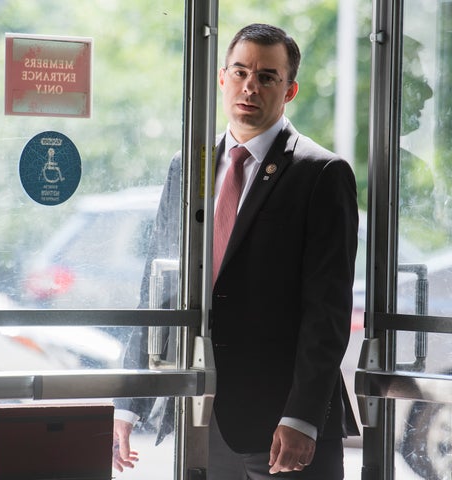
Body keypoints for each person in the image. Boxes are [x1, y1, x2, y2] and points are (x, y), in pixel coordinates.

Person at [113, 23, 359, 479]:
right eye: (241, 72)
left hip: (285, 425)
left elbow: (328, 310)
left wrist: (301, 417)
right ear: (222, 78)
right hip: (203, 415)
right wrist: (129, 402)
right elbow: (157, 283)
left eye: (267, 77)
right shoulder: (190, 165)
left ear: (290, 91)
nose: (251, 86)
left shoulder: (321, 173)